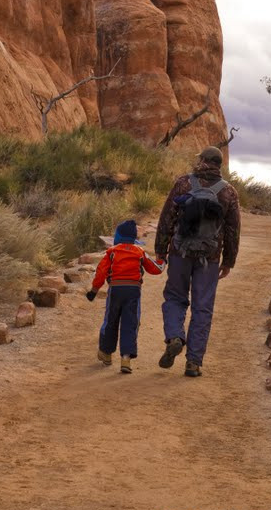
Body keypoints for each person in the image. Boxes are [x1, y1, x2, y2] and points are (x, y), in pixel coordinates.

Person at [155, 146, 240, 378]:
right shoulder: (229, 192)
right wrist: (228, 261)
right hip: (209, 259)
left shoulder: (183, 183)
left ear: (202, 160)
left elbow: (167, 219)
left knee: (174, 298)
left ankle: (174, 336)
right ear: (219, 165)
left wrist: (161, 250)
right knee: (203, 308)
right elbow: (233, 230)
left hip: (180, 254)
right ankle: (193, 362)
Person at [86, 219, 165, 374]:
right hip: (133, 291)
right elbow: (155, 268)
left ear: (118, 236)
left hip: (115, 290)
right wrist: (162, 260)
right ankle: (126, 359)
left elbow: (101, 273)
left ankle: (106, 353)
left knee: (110, 321)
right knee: (131, 323)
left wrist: (94, 291)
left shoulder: (111, 252)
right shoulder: (139, 252)